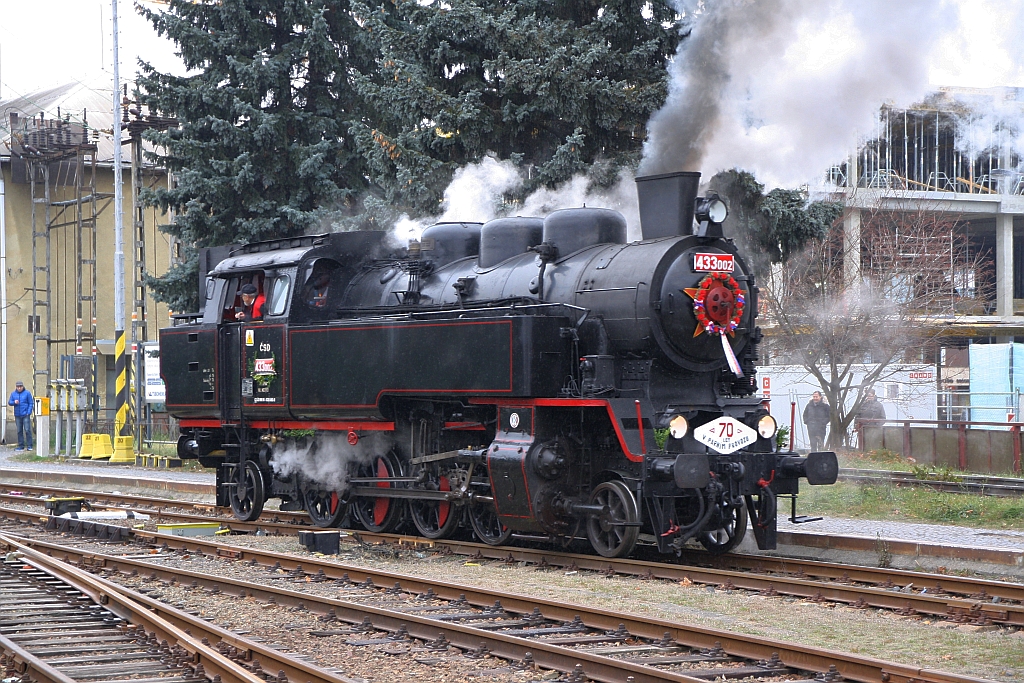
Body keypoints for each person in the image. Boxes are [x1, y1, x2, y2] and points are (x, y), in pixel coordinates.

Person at [8, 381, 33, 451]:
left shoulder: (27, 393)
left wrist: (28, 412)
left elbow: (31, 403)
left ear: (23, 386)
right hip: (17, 415)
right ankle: (21, 446)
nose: (19, 388)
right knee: (19, 431)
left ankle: (29, 445)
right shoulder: (13, 394)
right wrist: (14, 402)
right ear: (16, 387)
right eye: (18, 387)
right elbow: (9, 402)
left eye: (20, 387)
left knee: (27, 430)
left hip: (25, 414)